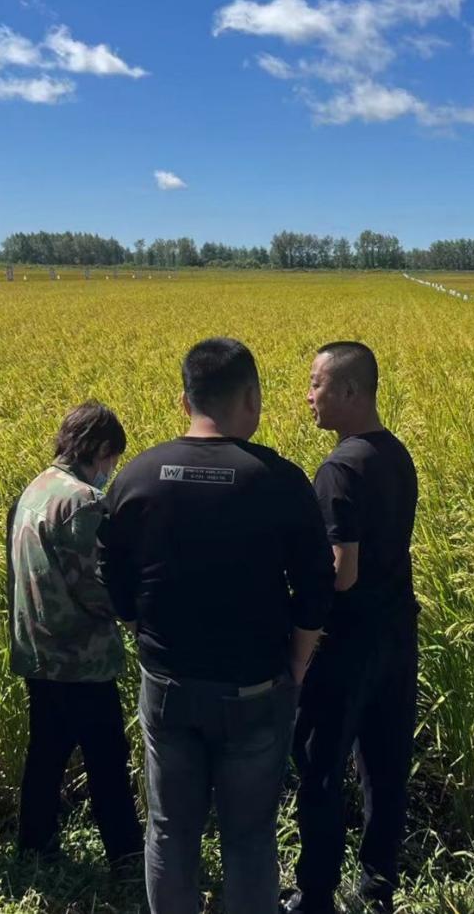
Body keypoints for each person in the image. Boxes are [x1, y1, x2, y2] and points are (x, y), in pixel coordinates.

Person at [98, 337, 336, 914]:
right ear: (252, 398)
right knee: (249, 837)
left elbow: (111, 572)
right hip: (256, 688)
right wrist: (297, 663)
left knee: (169, 830)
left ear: (185, 401)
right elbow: (315, 587)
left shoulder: (137, 476)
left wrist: (138, 624)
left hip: (168, 686)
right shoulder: (279, 480)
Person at [285, 342, 419, 914]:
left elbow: (342, 572)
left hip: (347, 643)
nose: (308, 396)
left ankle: (315, 892)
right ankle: (378, 886)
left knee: (320, 767)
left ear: (348, 391)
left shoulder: (339, 468)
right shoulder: (395, 453)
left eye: (315, 384)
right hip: (397, 632)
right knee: (384, 767)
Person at [7, 401, 142, 867]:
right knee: (108, 757)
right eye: (113, 456)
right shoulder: (82, 501)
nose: (112, 467)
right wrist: (135, 614)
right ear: (100, 449)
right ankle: (126, 855)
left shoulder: (36, 488)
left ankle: (35, 846)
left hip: (37, 648)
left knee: (47, 752)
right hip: (80, 655)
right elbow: (95, 583)